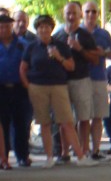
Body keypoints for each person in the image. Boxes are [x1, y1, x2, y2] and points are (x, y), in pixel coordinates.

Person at [19, 15, 97, 167]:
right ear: (37, 29)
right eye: (41, 27)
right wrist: (28, 85)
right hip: (37, 87)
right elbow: (23, 68)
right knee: (44, 123)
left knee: (66, 121)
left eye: (47, 26)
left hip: (59, 86)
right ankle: (49, 158)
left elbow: (71, 66)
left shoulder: (61, 45)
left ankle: (80, 157)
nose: (44, 30)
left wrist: (59, 57)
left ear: (51, 28)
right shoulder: (31, 47)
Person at [53, 2, 99, 161]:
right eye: (68, 13)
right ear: (63, 14)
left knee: (84, 117)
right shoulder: (57, 35)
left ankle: (84, 150)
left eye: (74, 13)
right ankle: (64, 152)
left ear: (80, 15)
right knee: (63, 119)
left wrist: (80, 48)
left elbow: (95, 60)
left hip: (81, 80)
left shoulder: (86, 35)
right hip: (61, 82)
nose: (71, 17)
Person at [81, 0, 111, 161]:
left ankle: (95, 150)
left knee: (98, 116)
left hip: (99, 78)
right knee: (83, 117)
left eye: (93, 12)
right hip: (80, 79)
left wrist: (103, 53)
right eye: (87, 11)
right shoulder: (76, 32)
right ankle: (83, 151)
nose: (90, 15)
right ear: (82, 13)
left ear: (97, 14)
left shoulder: (103, 34)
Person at [0, 14, 32, 167]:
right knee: (2, 124)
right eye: (1, 27)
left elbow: (30, 65)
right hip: (1, 89)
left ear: (12, 27)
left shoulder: (22, 44)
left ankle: (23, 156)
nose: (3, 29)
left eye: (7, 26)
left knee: (21, 124)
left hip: (19, 88)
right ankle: (3, 157)